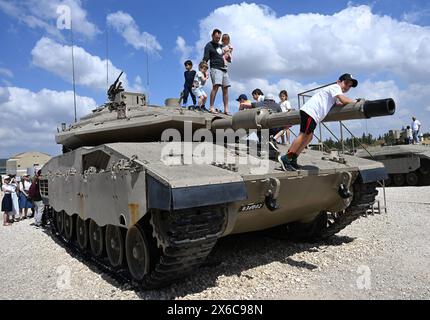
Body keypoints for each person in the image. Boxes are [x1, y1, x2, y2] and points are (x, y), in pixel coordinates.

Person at [278, 73, 358, 171]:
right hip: (311, 112)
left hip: (313, 115)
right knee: (303, 135)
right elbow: (343, 99)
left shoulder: (334, 95)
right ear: (338, 82)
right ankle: (286, 158)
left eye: (349, 86)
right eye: (346, 83)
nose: (347, 87)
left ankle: (293, 158)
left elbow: (338, 103)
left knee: (309, 137)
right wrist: (355, 102)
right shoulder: (335, 87)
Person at [203, 29, 231, 115]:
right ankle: (211, 107)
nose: (218, 39)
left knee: (225, 89)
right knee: (216, 86)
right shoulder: (208, 45)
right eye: (216, 37)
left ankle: (226, 109)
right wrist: (204, 71)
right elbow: (205, 59)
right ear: (212, 36)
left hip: (224, 69)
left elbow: (227, 58)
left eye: (219, 38)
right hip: (215, 68)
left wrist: (228, 57)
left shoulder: (220, 46)